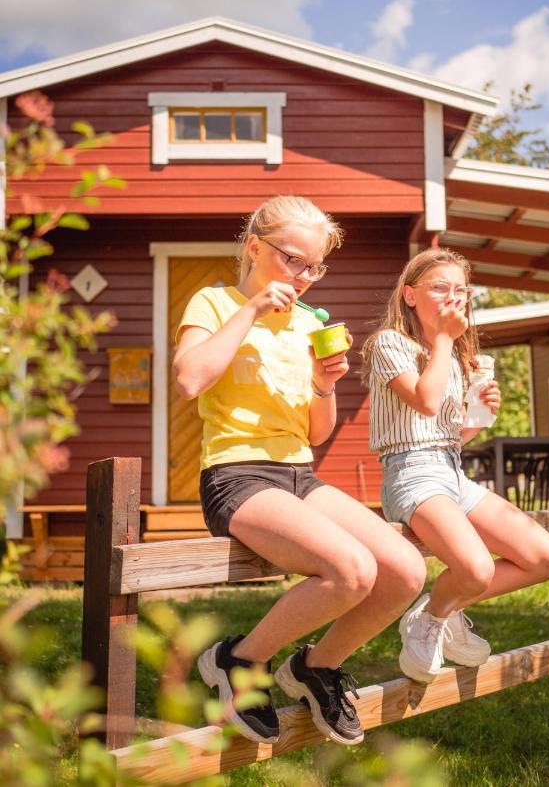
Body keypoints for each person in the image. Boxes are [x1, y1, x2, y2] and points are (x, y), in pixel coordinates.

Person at [173, 195, 427, 745]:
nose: (304, 276)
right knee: (353, 571)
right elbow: (190, 379)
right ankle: (238, 660)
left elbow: (315, 434)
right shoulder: (214, 302)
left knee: (405, 571)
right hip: (236, 474)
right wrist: (251, 310)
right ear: (253, 247)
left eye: (314, 266)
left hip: (298, 473)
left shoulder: (309, 321)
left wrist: (324, 384)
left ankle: (315, 666)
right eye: (292, 260)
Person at [361, 248, 549, 683]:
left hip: (451, 471)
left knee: (545, 557)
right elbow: (425, 400)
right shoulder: (389, 344)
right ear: (411, 295)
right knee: (475, 569)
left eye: (460, 290)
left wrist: (480, 414)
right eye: (440, 287)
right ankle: (431, 620)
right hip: (411, 472)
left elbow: (450, 433)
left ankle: (443, 608)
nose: (453, 297)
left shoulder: (450, 356)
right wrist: (443, 340)